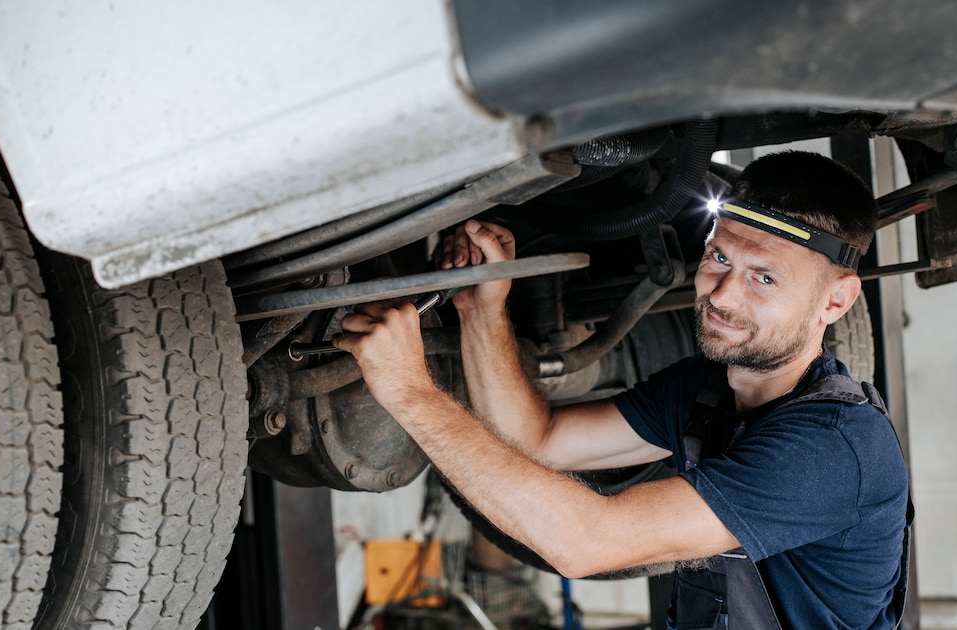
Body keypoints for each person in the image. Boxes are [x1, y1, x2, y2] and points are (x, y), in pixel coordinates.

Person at [333, 151, 912, 629]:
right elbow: (538, 441)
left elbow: (585, 543)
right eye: (718, 258)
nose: (723, 295)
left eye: (764, 277)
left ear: (836, 301)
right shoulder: (705, 394)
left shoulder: (834, 451)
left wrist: (411, 391)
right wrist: (483, 311)